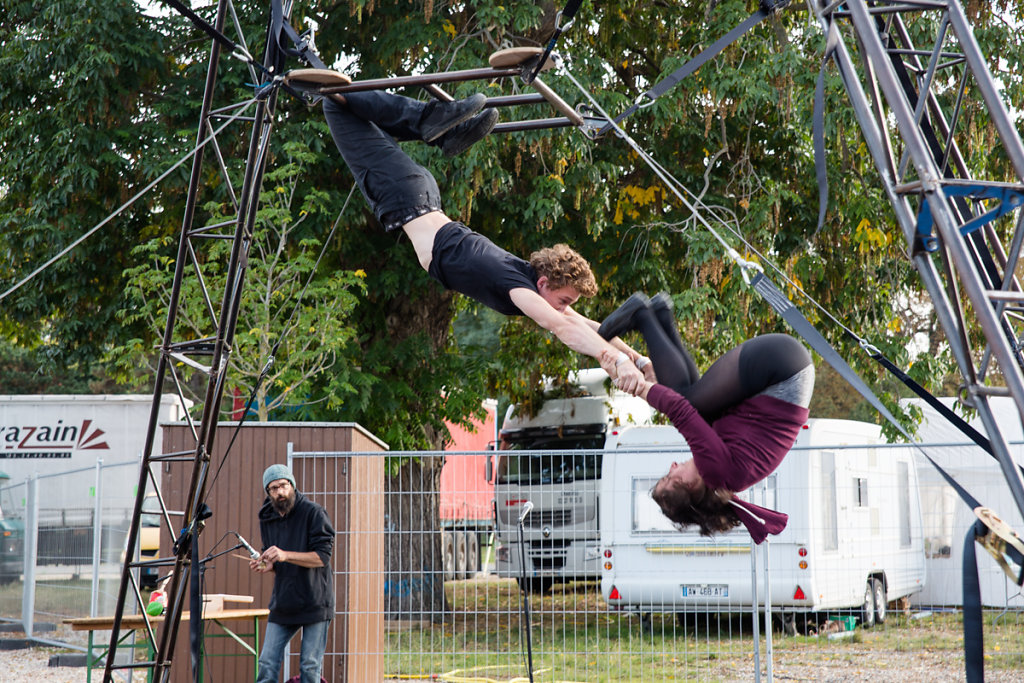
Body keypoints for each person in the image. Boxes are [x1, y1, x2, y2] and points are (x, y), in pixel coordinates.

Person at [321, 88, 646, 390]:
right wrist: (612, 360)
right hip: (405, 197)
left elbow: (590, 326)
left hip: (417, 195)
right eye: (564, 301)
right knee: (334, 102)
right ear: (545, 283)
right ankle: (433, 121)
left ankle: (442, 131)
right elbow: (563, 329)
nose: (564, 310)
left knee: (352, 114)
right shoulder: (518, 286)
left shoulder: (527, 279)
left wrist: (636, 359)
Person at [597, 292, 815, 543]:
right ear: (690, 487)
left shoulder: (725, 479)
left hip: (785, 367)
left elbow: (690, 413)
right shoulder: (716, 472)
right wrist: (641, 388)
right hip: (781, 370)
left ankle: (661, 314)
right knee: (688, 402)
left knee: (694, 401)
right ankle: (643, 316)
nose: (673, 466)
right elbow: (681, 412)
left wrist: (654, 385)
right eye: (671, 478)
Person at [251, 464, 335, 683]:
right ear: (267, 492)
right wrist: (270, 565)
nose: (280, 492)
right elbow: (275, 556)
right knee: (267, 663)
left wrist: (285, 556)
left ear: (293, 486)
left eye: (284, 485)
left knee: (309, 666)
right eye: (274, 488)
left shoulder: (314, 513)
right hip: (284, 600)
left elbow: (322, 557)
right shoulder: (266, 517)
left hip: (315, 600)